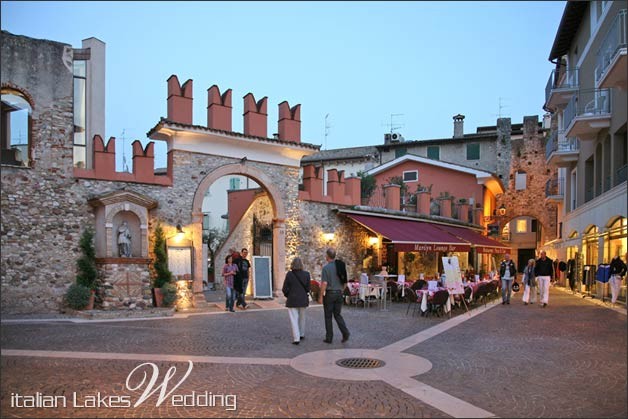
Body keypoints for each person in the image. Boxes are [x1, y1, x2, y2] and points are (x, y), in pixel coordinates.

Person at [318, 248, 350, 344]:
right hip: (339, 293)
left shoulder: (326, 268)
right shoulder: (340, 266)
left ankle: (329, 337)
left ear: (327, 256)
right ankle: (345, 332)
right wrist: (341, 290)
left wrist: (320, 296)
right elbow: (345, 282)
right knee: (337, 315)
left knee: (328, 316)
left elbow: (324, 283)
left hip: (330, 294)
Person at [282, 257, 311, 345]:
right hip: (303, 299)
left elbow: (284, 288)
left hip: (292, 299)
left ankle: (296, 338)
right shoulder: (307, 274)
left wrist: (288, 295)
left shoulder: (289, 274)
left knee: (294, 319)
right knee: (302, 318)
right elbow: (308, 288)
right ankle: (301, 334)